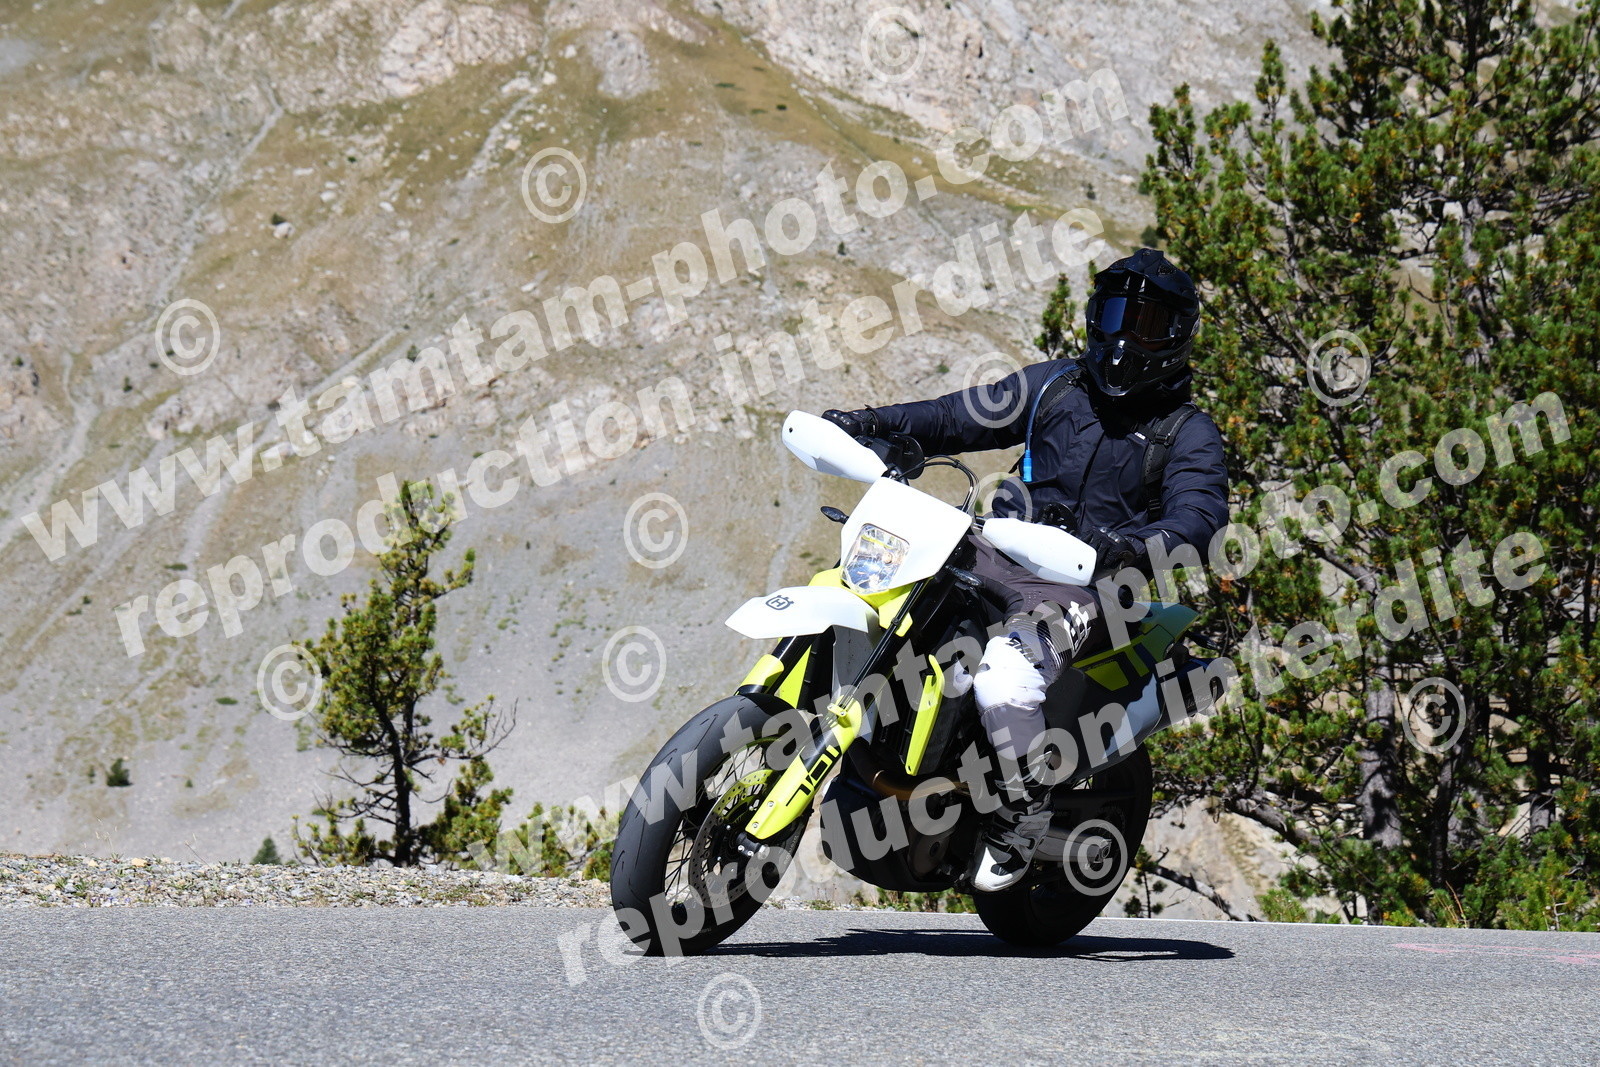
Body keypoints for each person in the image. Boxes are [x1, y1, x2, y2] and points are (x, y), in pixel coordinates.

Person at [821, 248, 1230, 891]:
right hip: (995, 548)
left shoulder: (1186, 432)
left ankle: (1022, 814)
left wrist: (1129, 547)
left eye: (1146, 324)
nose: (1125, 338)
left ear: (1176, 338)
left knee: (1004, 676)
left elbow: (1198, 518)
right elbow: (955, 416)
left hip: (1086, 587)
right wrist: (869, 424)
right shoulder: (1055, 387)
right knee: (880, 588)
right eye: (1115, 316)